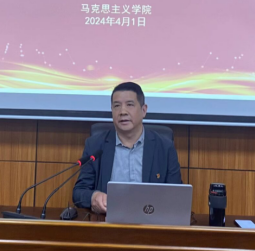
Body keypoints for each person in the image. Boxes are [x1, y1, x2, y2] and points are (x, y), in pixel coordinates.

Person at [72, 82, 183, 214]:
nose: (122, 112)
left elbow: (177, 196)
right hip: (107, 221)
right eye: (117, 106)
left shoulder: (164, 147)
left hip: (150, 221)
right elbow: (79, 193)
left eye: (130, 105)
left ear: (143, 110)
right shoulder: (95, 145)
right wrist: (93, 197)